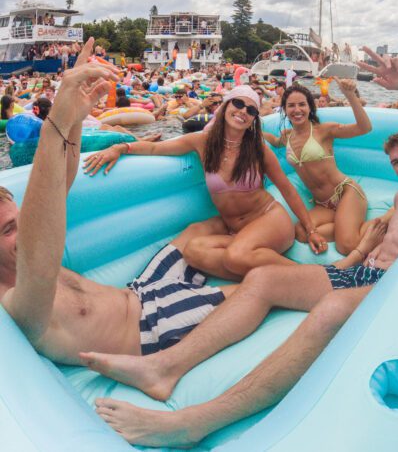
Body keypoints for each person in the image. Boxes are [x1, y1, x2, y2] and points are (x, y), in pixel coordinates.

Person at [89, 47, 398, 447]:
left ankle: (196, 421)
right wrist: (355, 255)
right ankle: (163, 368)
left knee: (329, 311)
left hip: (389, 286)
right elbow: (379, 235)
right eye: (394, 161)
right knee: (263, 277)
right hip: (361, 271)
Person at [0, 39, 237, 371]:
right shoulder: (18, 300)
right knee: (259, 288)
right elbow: (38, 255)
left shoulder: (19, 258)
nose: (24, 229)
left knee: (202, 228)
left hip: (139, 292)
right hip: (148, 328)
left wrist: (77, 114)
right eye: (10, 229)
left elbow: (60, 182)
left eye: (18, 219)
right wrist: (57, 120)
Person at [83, 86, 319, 280]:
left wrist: (310, 230)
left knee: (235, 256)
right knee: (194, 251)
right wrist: (120, 147)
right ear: (226, 105)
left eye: (251, 110)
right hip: (232, 228)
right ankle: (260, 273)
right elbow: (156, 147)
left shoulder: (258, 149)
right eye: (238, 103)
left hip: (268, 220)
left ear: (254, 119)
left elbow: (287, 190)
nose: (243, 112)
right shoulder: (203, 142)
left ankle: (309, 276)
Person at [264, 79, 372, 255]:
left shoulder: (324, 130)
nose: (297, 110)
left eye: (302, 105)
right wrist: (253, 129)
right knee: (299, 232)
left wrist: (350, 96)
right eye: (291, 105)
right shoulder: (286, 136)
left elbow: (364, 128)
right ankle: (345, 224)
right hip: (323, 205)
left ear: (310, 107)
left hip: (345, 192)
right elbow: (275, 142)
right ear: (284, 109)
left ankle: (380, 222)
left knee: (346, 246)